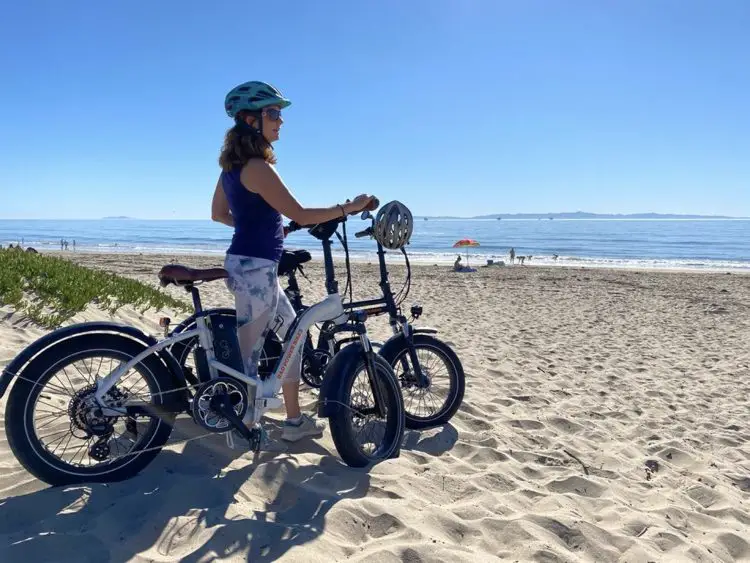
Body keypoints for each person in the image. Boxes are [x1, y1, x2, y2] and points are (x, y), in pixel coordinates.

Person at [210, 80, 375, 444]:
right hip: (254, 269)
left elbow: (219, 214)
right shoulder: (256, 167)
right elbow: (299, 211)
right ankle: (243, 430)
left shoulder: (231, 170)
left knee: (295, 334)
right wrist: (351, 207)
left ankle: (294, 421)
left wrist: (263, 227)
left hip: (252, 264)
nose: (280, 121)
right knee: (249, 357)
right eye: (273, 113)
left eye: (279, 113)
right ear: (250, 120)